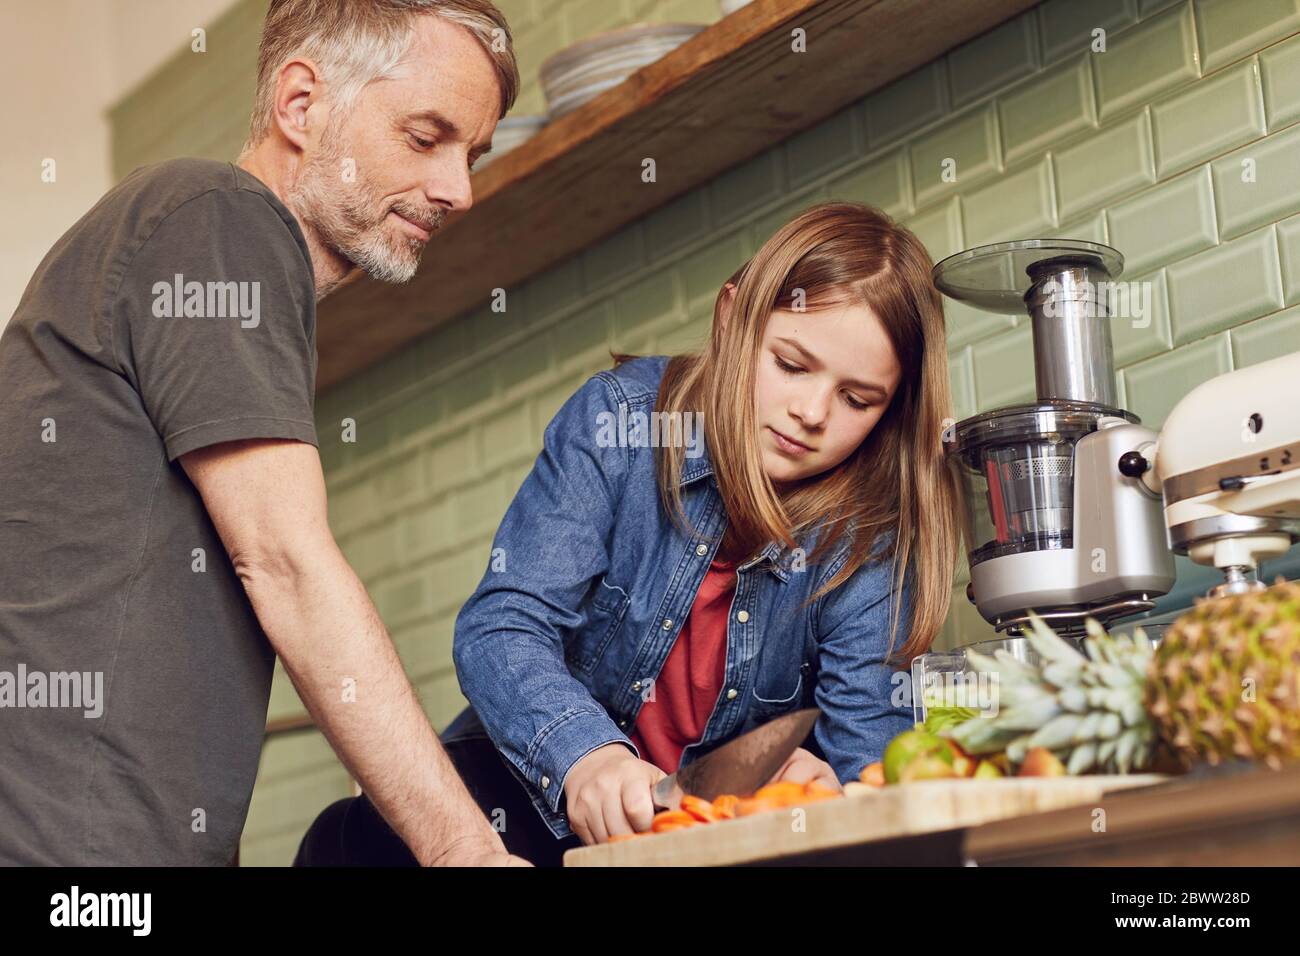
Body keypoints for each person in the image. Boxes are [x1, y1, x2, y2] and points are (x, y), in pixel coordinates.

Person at [0, 0, 529, 866]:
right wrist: (466, 851)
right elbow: (285, 562)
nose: (458, 190)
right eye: (425, 136)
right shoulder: (216, 215)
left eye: (472, 155)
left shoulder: (191, 244)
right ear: (300, 104)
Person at [296, 201, 964, 866]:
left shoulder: (870, 535)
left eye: (857, 400)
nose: (812, 413)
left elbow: (874, 764)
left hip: (697, 839)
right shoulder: (620, 420)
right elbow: (502, 625)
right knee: (363, 842)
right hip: (525, 797)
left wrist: (836, 802)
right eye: (791, 365)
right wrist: (586, 757)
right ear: (731, 319)